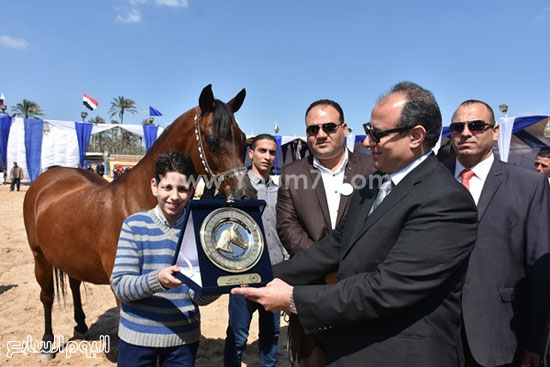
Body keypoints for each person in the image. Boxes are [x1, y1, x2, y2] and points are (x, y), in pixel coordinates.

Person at [234, 82, 478, 366]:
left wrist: (293, 298)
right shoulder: (374, 185)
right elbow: (335, 246)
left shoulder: (445, 200)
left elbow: (385, 288)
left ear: (416, 136)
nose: (365, 142)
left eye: (377, 133)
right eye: (368, 130)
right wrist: (259, 275)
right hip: (350, 347)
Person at [449, 100, 550, 367]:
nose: (466, 133)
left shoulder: (529, 186)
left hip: (501, 336)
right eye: (458, 127)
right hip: (437, 336)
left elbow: (540, 268)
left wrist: (535, 340)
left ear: (494, 131)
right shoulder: (432, 181)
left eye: (476, 126)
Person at [276, 99, 373, 366]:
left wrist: (344, 270)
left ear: (344, 128)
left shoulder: (372, 170)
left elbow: (379, 226)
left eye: (328, 127)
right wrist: (323, 269)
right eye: (312, 129)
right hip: (310, 294)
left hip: (359, 291)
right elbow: (287, 228)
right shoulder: (291, 174)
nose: (320, 134)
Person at [110, 152, 218, 367]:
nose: (174, 196)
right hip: (136, 339)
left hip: (183, 340)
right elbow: (120, 286)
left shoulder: (201, 230)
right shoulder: (134, 226)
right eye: (167, 187)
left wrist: (215, 285)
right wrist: (157, 280)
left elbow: (197, 296)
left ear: (192, 190)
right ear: (154, 186)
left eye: (182, 189)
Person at [224, 134, 289, 367]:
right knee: (238, 335)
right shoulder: (236, 189)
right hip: (244, 275)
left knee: (271, 335)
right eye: (262, 151)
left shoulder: (282, 188)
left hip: (275, 273)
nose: (268, 156)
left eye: (272, 152)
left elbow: (285, 228)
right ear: (251, 153)